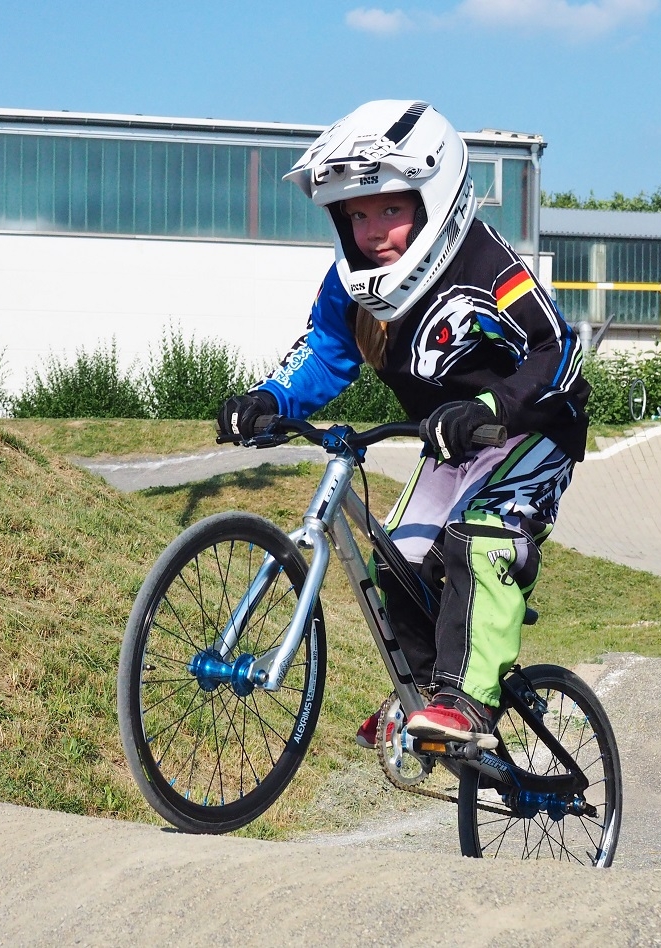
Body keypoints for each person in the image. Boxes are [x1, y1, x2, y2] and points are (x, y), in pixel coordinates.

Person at [216, 100, 590, 748]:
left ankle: (467, 704)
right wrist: (269, 398)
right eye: (356, 215)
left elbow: (557, 348)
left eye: (389, 209)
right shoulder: (350, 282)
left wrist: (492, 407)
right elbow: (324, 353)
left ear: (432, 198)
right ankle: (420, 697)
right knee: (397, 559)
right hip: (449, 442)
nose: (371, 231)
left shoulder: (484, 264)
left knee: (481, 542)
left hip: (532, 431)